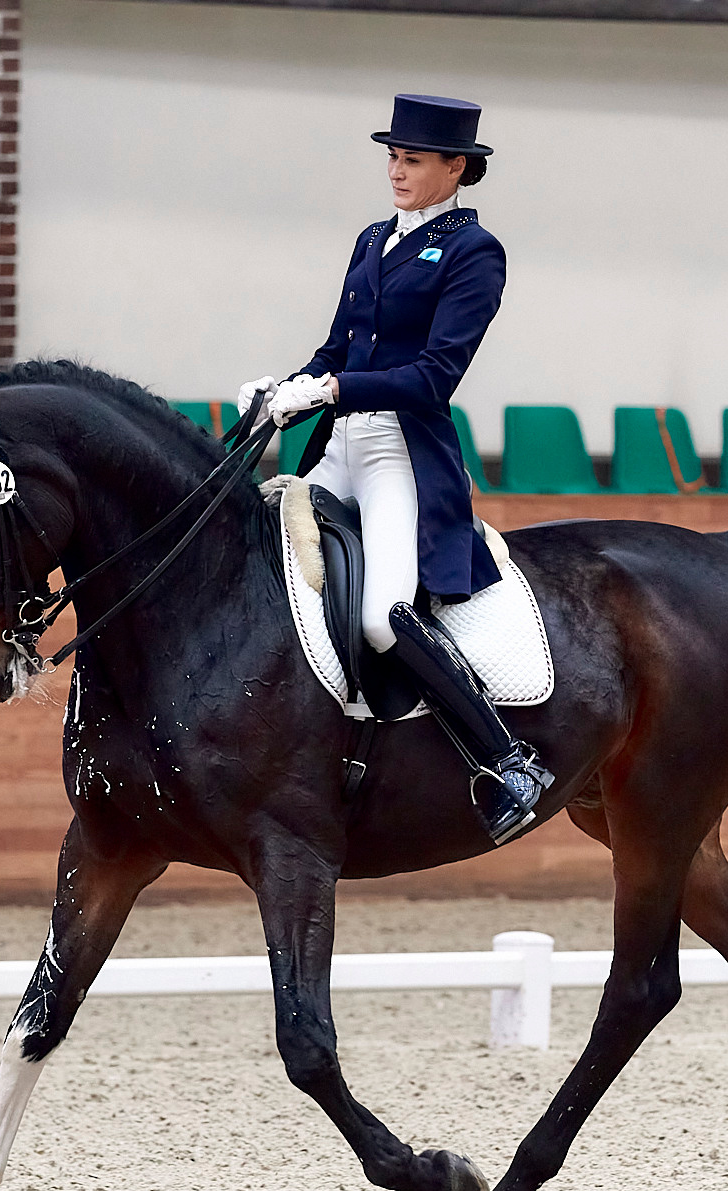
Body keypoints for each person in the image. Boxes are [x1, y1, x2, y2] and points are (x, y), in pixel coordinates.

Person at [238, 94, 551, 845]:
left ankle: (506, 761)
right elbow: (338, 346)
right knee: (260, 565)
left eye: (412, 159)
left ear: (456, 167)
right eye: (392, 156)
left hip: (400, 451)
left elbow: (437, 374)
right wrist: (285, 389)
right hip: (339, 442)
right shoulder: (373, 239)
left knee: (382, 616)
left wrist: (336, 388)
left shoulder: (476, 253)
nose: (396, 169)